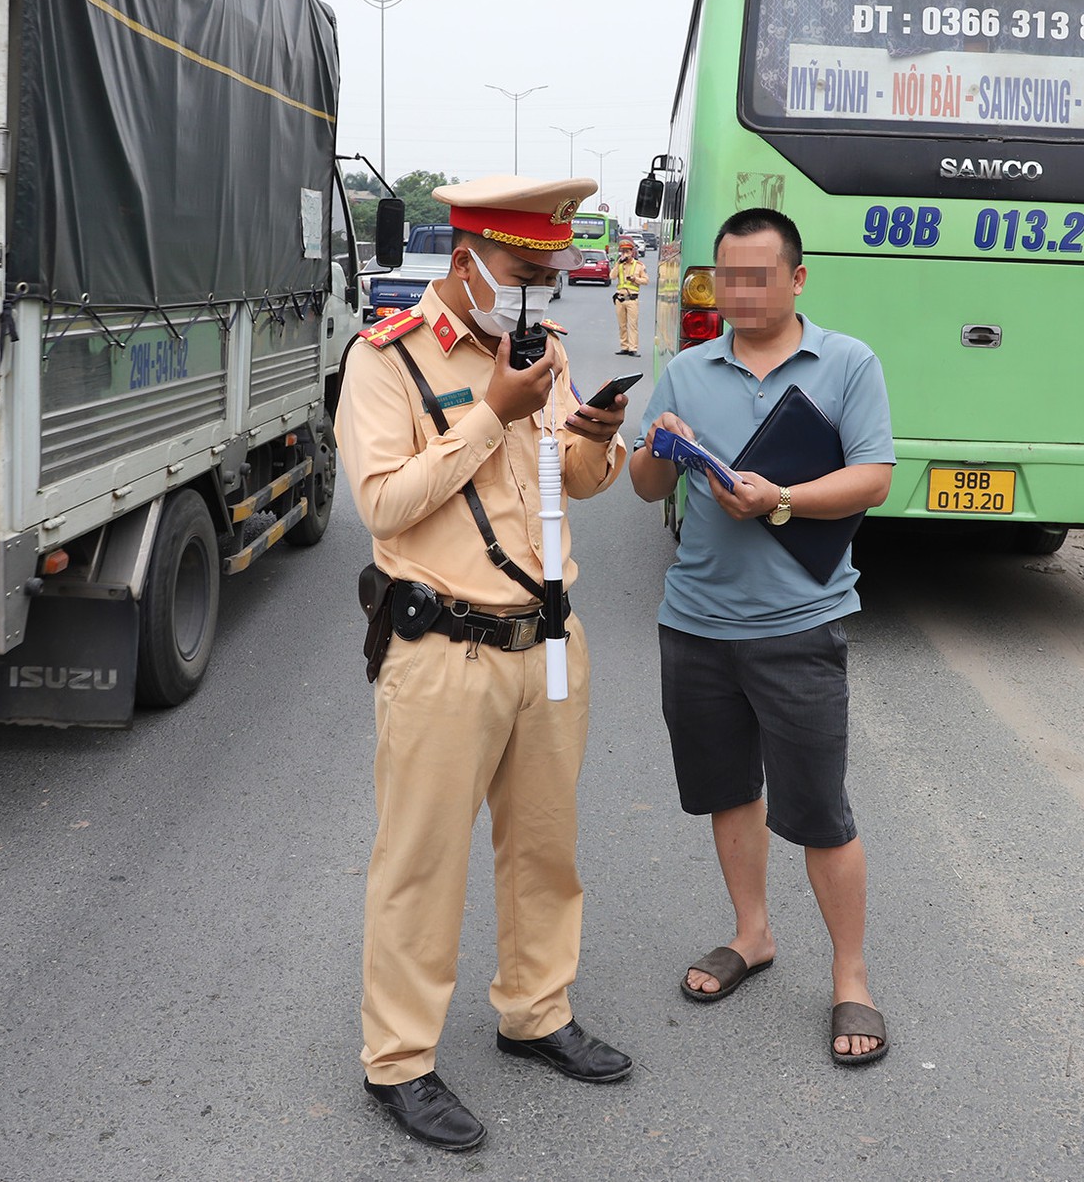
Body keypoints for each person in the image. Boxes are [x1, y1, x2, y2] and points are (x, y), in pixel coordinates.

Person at [338, 174, 634, 1152]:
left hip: (545, 639)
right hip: (440, 646)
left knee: (544, 846)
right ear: (465, 260)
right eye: (519, 270)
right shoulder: (388, 360)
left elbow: (579, 483)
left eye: (547, 274)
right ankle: (398, 1060)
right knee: (421, 859)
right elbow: (384, 503)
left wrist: (592, 436)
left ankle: (535, 1011)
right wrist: (490, 412)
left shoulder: (542, 352)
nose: (534, 293)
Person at [626, 207, 896, 1065]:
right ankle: (752, 934)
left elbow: (873, 478)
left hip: (798, 624)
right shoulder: (687, 368)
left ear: (797, 279)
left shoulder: (847, 362)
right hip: (695, 623)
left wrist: (778, 497)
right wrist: (660, 448)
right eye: (726, 277)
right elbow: (642, 488)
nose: (739, 293)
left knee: (820, 809)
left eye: (759, 277)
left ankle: (850, 976)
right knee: (726, 790)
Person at [613, 238, 645, 356]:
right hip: (620, 299)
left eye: (627, 251)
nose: (625, 254)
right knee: (622, 325)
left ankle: (633, 349)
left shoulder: (639, 266)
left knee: (632, 325)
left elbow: (646, 280)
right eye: (623, 251)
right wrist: (618, 264)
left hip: (632, 299)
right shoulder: (620, 265)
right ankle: (624, 347)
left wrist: (635, 279)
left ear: (632, 252)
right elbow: (612, 276)